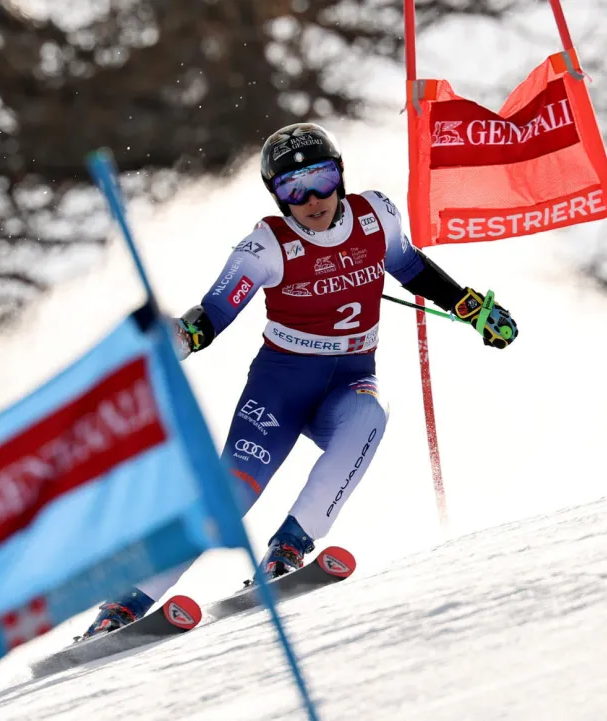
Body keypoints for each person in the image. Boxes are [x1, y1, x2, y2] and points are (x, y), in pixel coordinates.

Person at [79, 122, 518, 638]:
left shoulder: (377, 214)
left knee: (370, 416)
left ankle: (289, 547)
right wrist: (186, 335)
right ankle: (127, 603)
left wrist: (471, 309)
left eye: (322, 180)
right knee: (234, 495)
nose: (312, 199)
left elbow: (411, 268)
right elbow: (218, 310)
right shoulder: (266, 245)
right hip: (280, 389)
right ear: (276, 195)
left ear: (341, 176)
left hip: (348, 382)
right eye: (293, 189)